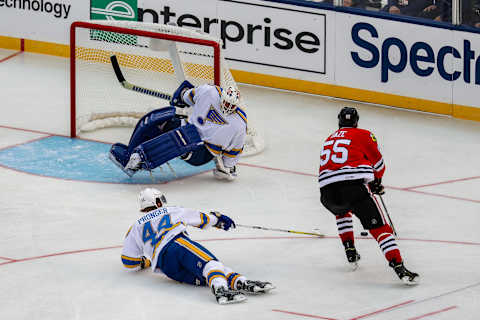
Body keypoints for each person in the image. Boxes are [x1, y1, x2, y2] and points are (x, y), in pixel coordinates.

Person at [318, 107, 419, 285]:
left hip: (326, 193)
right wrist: (376, 181)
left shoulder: (328, 139)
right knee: (380, 229)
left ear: (339, 122)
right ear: (356, 122)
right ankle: (399, 267)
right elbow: (378, 164)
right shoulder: (364, 134)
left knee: (343, 210)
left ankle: (350, 250)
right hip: (353, 188)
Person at [121, 188, 274, 304]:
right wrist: (218, 219)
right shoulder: (170, 210)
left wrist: (147, 262)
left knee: (206, 274)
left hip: (166, 268)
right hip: (177, 244)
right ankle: (221, 290)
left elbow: (129, 262)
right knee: (210, 264)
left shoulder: (135, 227)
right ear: (158, 202)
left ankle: (239, 281)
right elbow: (200, 218)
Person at [109, 80, 247, 181]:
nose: (228, 107)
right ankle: (130, 153)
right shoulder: (209, 92)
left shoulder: (240, 124)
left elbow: (235, 150)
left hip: (202, 154)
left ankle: (141, 159)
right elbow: (184, 95)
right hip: (187, 129)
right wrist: (181, 96)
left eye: (232, 105)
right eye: (226, 102)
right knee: (160, 119)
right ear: (222, 96)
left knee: (187, 136)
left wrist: (227, 167)